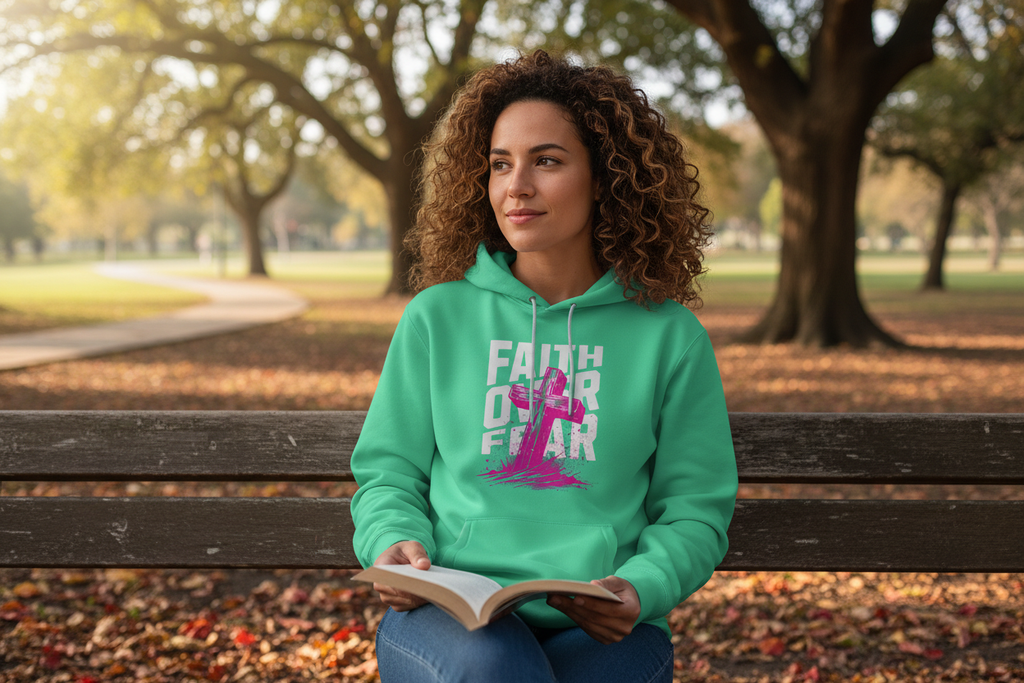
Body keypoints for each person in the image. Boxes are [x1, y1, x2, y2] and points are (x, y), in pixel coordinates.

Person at [350, 49, 738, 683]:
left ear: (607, 177)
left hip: (604, 625)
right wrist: (389, 542)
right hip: (449, 617)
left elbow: (694, 508)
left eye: (547, 162)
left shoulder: (670, 336)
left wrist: (641, 586)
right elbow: (389, 473)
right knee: (494, 667)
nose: (515, 187)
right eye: (500, 164)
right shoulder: (436, 318)